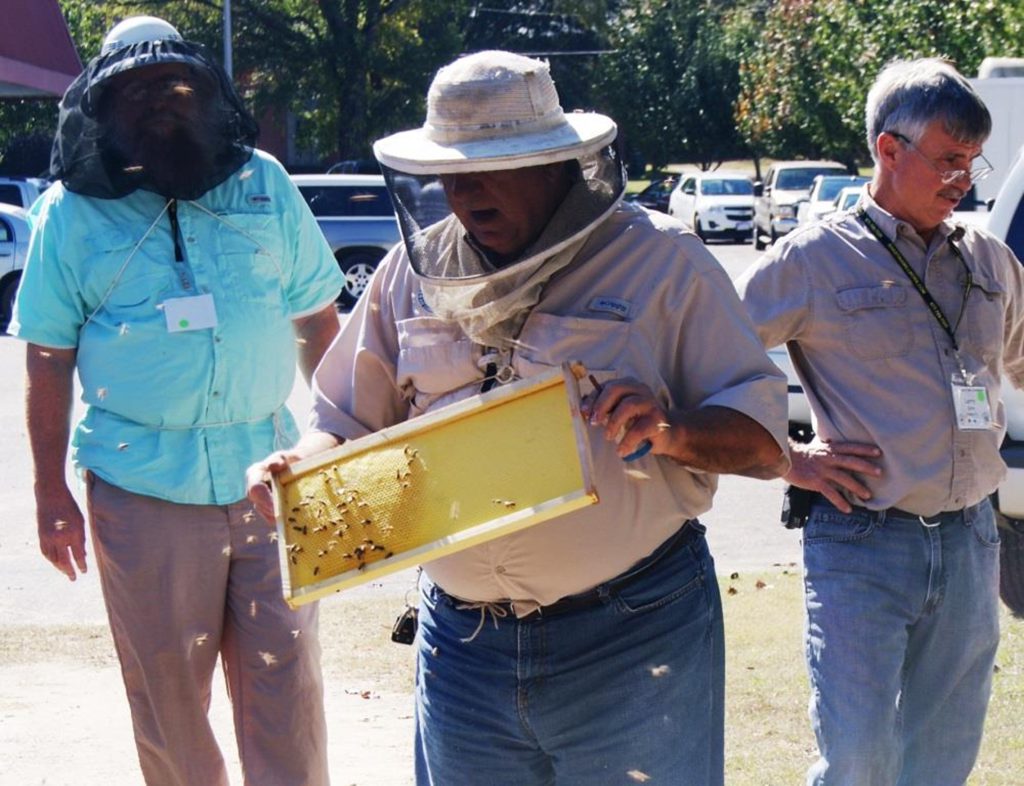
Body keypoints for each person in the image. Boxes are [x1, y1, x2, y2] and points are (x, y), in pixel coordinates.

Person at [247, 50, 789, 785]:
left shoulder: (663, 261)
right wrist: (300, 466)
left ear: (555, 163)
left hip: (633, 635)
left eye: (491, 168)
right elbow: (345, 420)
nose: (464, 192)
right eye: (449, 172)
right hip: (463, 648)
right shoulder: (410, 271)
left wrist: (672, 430)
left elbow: (765, 443)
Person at [11, 16, 344, 786]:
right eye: (135, 90)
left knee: (288, 685)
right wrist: (49, 492)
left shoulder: (265, 183)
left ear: (206, 93)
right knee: (168, 699)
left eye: (173, 84)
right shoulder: (68, 212)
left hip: (274, 478)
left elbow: (317, 319)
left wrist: (342, 447)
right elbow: (48, 356)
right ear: (102, 104)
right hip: (141, 487)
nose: (159, 100)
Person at [736, 58, 1024, 786]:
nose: (965, 178)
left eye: (973, 159)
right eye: (949, 159)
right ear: (889, 149)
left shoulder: (990, 259)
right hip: (863, 541)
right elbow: (705, 359)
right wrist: (789, 458)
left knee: (943, 760)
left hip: (970, 539)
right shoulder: (814, 258)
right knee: (859, 759)